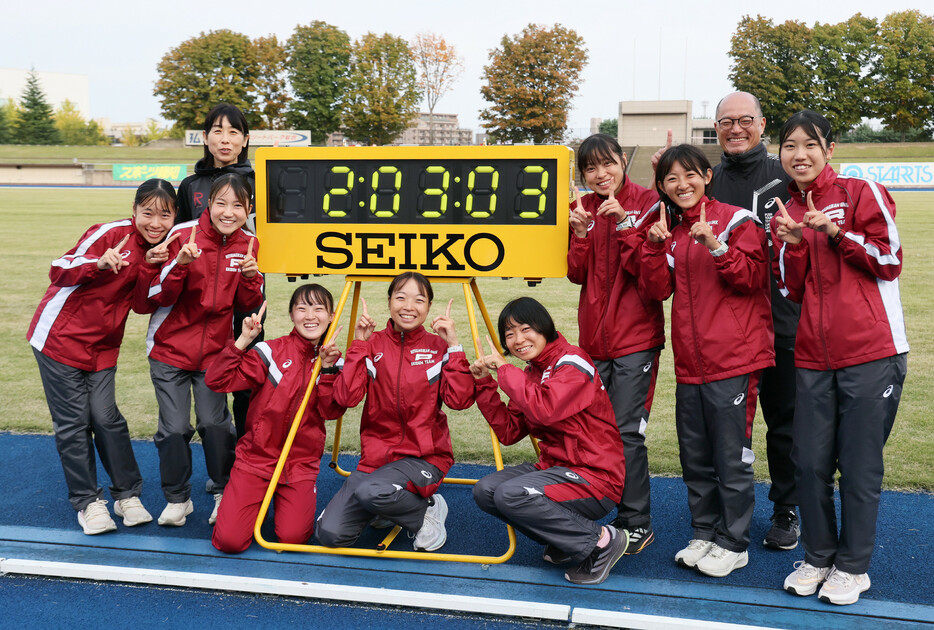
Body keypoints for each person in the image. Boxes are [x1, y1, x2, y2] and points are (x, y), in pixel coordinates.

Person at [772, 110, 908, 606]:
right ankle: (818, 556)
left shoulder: (858, 192)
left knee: (858, 466)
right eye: (790, 146)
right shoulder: (784, 210)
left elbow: (889, 260)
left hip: (871, 353)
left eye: (810, 144)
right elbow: (790, 290)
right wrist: (792, 246)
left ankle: (852, 568)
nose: (799, 154)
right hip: (812, 357)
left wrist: (833, 233)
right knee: (807, 464)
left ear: (828, 148)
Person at [641, 144, 774, 578]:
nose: (682, 185)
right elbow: (657, 290)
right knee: (694, 454)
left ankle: (734, 542)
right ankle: (704, 531)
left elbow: (753, 278)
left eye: (690, 175)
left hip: (733, 358)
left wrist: (717, 246)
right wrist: (651, 246)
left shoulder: (736, 219)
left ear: (707, 175)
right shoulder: (669, 230)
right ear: (662, 186)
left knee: (730, 456)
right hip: (690, 362)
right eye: (671, 179)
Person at [27, 179, 179, 535]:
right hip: (59, 339)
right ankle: (88, 502)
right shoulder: (111, 233)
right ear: (134, 211)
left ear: (175, 217)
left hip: (103, 346)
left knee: (107, 419)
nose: (155, 222)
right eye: (148, 213)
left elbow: (142, 305)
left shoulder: (163, 248)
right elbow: (59, 268)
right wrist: (98, 262)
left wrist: (149, 267)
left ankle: (127, 495)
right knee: (74, 423)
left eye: (165, 215)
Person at [471, 297, 629, 585]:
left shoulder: (572, 361)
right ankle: (567, 540)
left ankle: (603, 540)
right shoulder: (531, 371)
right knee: (487, 490)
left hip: (595, 477)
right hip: (556, 469)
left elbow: (547, 407)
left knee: (512, 494)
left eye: (525, 329)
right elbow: (508, 431)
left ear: (544, 327)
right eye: (509, 334)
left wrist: (505, 371)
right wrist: (484, 384)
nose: (518, 340)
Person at [315, 272, 474, 552]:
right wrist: (359, 344)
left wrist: (453, 345)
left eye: (419, 300)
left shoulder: (438, 347)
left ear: (428, 306)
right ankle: (388, 506)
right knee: (330, 534)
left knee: (371, 491)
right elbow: (346, 397)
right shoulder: (372, 343)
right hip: (375, 461)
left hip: (425, 458)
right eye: (400, 297)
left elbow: (460, 400)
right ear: (389, 301)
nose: (408, 307)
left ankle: (427, 511)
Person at [143, 172, 264, 528]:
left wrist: (250, 279)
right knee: (175, 428)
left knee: (215, 424)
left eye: (238, 206)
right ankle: (178, 498)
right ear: (208, 204)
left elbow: (247, 302)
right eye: (221, 203)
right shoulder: (182, 234)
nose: (228, 212)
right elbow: (157, 295)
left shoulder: (250, 244)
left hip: (215, 353)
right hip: (170, 350)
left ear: (248, 209)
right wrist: (179, 266)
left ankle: (222, 490)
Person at [711, 92, 801, 551]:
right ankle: (729, 514)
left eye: (745, 120)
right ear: (716, 127)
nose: (736, 128)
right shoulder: (705, 180)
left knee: (784, 423)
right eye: (726, 121)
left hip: (785, 323)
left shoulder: (787, 176)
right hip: (729, 330)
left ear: (762, 124)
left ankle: (786, 507)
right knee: (729, 428)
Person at [566, 134, 663, 554]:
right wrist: (582, 235)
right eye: (591, 168)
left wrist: (624, 223)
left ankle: (636, 520)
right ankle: (585, 518)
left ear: (623, 161)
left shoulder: (649, 203)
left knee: (627, 434)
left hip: (635, 339)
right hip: (594, 341)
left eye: (607, 164)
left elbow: (653, 279)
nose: (600, 174)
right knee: (591, 432)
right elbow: (575, 273)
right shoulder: (581, 207)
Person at [205, 285, 344, 553]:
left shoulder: (334, 361)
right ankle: (249, 502)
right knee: (229, 542)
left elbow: (333, 412)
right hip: (256, 459)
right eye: (302, 308)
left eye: (318, 309)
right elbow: (216, 380)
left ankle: (273, 504)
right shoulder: (270, 352)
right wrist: (244, 340)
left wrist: (327, 371)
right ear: (292, 314)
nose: (310, 316)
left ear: (331, 315)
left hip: (299, 465)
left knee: (292, 539)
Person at [176, 103, 258, 441]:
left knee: (246, 377)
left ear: (245, 139)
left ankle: (247, 452)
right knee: (203, 373)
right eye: (218, 131)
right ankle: (217, 460)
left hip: (246, 293)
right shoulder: (190, 185)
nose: (225, 140)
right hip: (198, 300)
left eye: (233, 132)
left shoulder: (259, 180)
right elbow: (175, 238)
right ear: (206, 137)